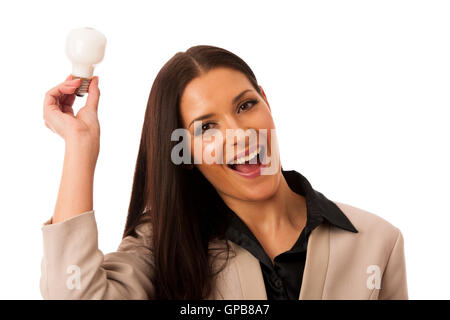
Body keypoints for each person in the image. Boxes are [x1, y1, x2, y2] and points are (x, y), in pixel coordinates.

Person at [41, 45, 408, 300]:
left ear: (266, 100)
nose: (239, 134)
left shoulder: (378, 240)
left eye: (246, 105)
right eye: (206, 128)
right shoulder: (165, 246)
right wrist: (80, 145)